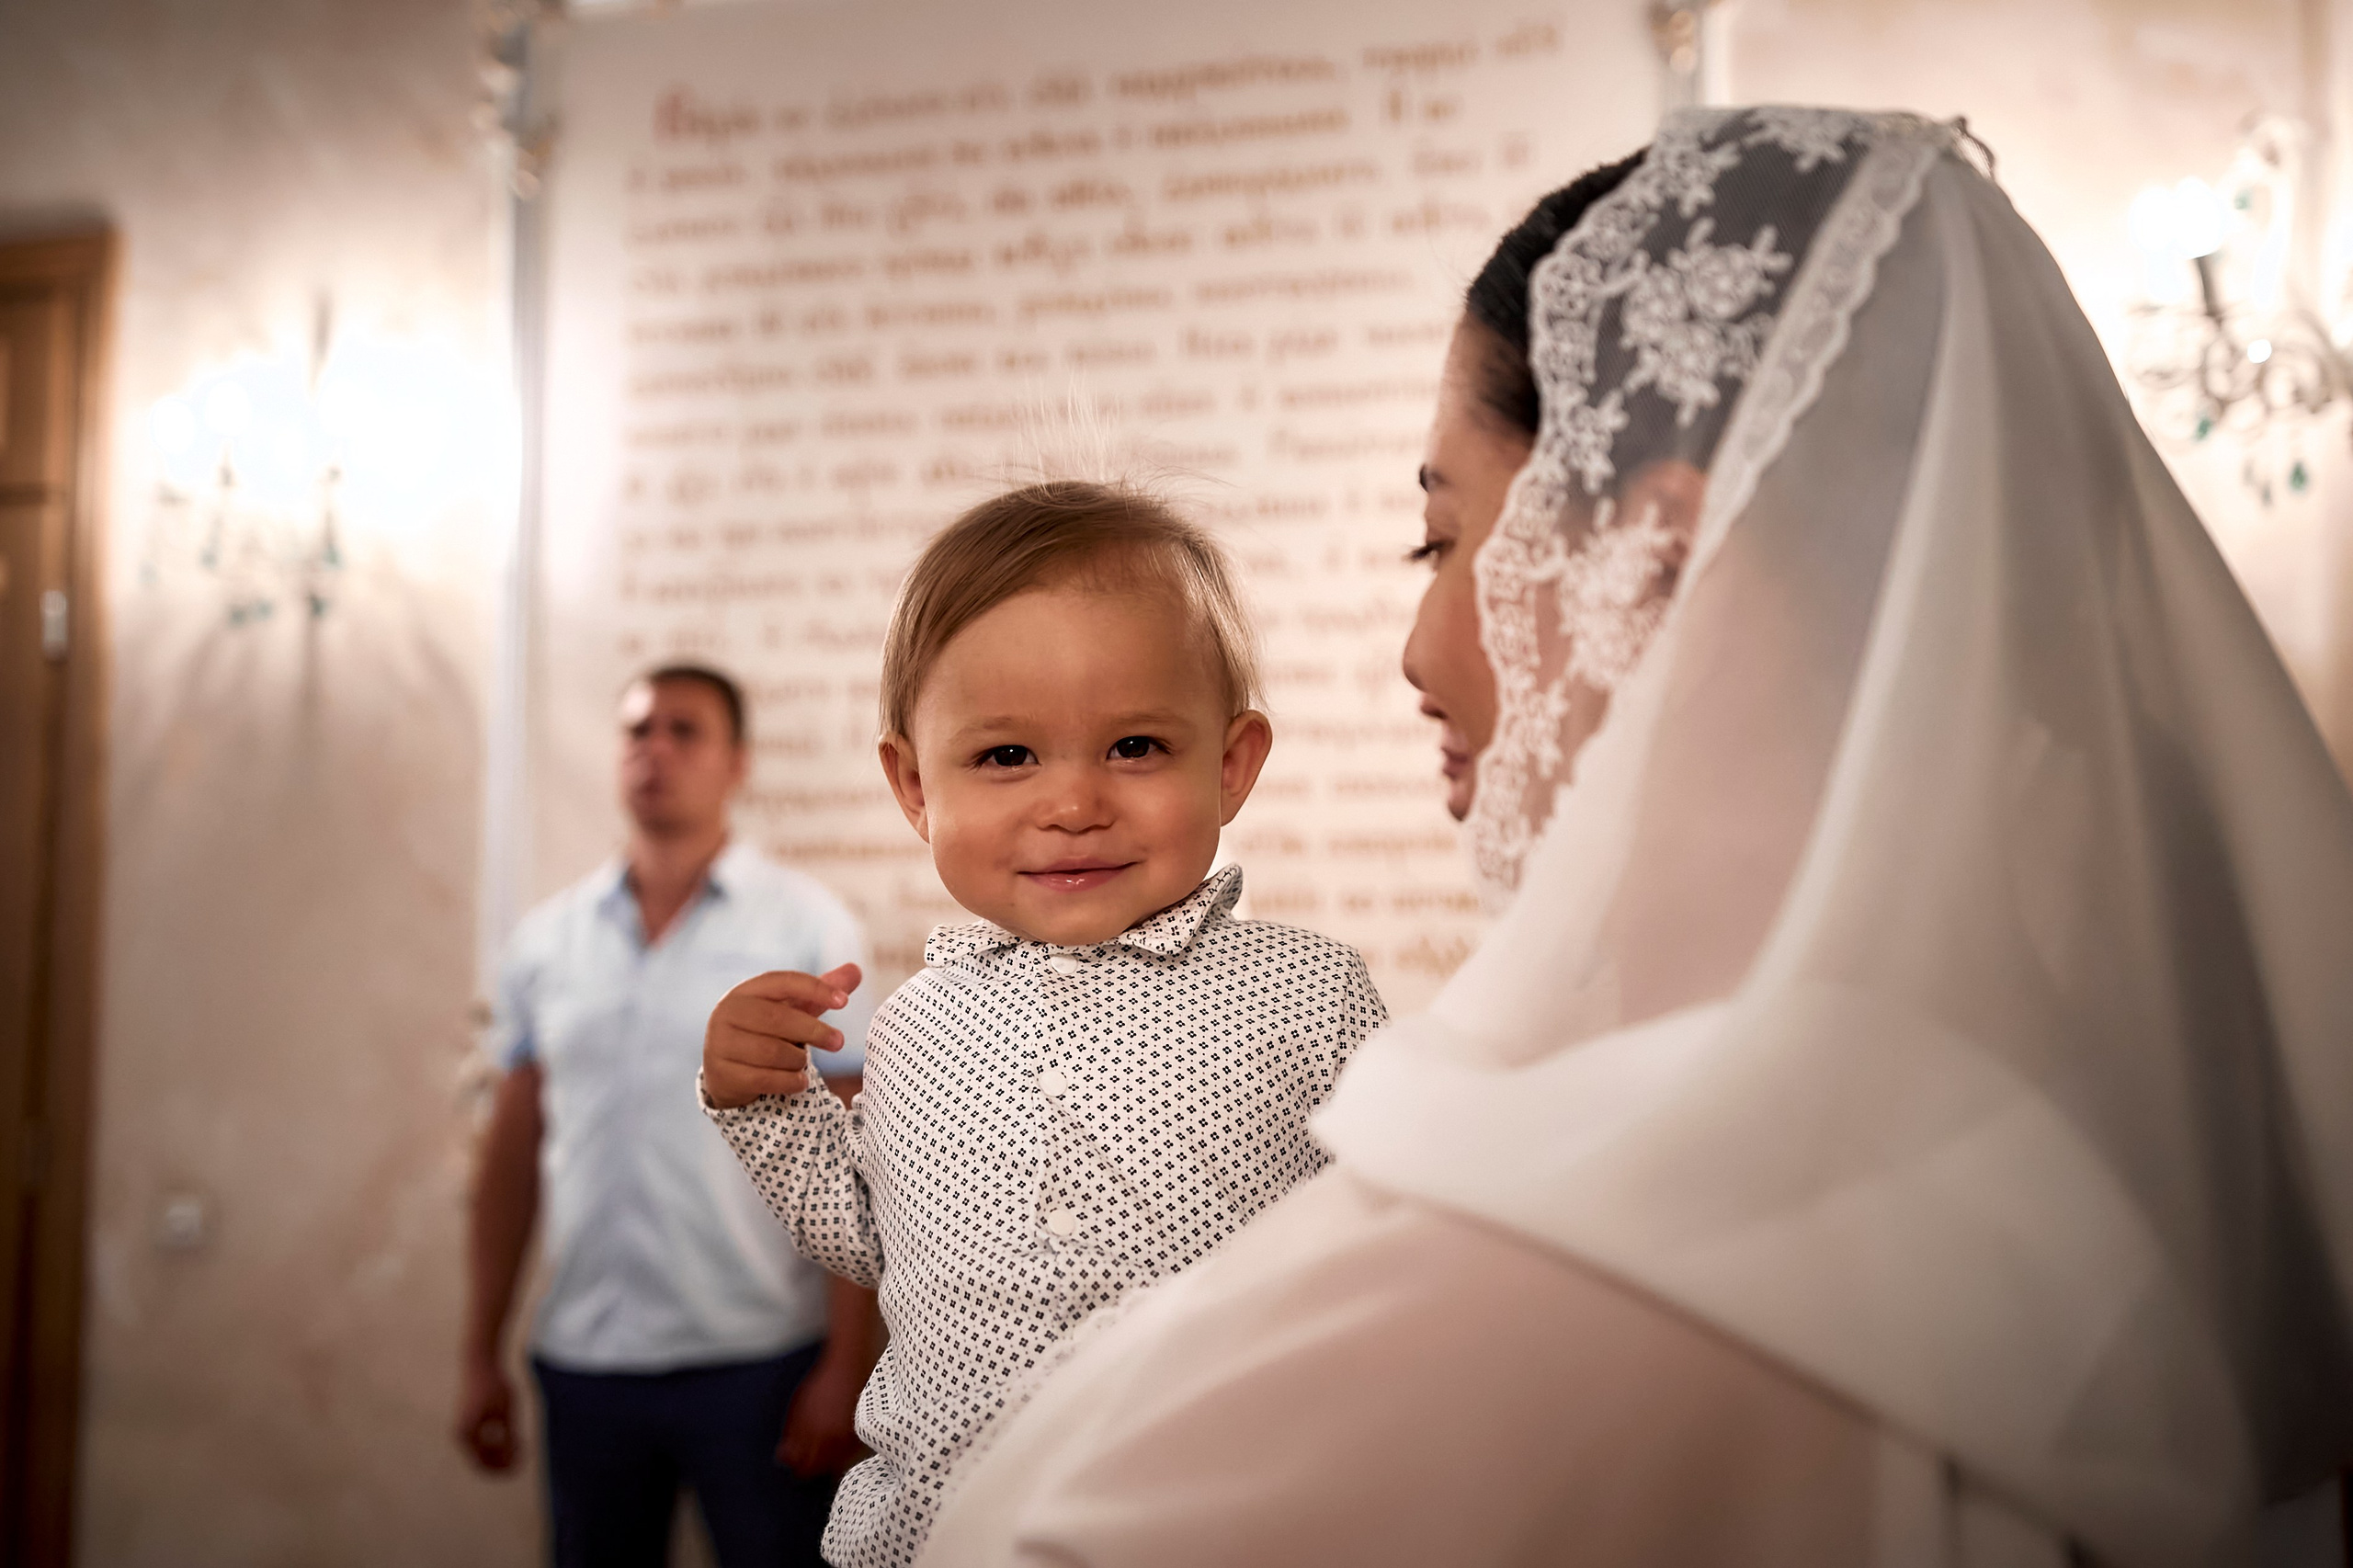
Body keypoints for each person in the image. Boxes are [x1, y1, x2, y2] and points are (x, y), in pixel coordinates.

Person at [915, 108, 2353, 1566]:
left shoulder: (1568, 1280)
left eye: (1448, 539)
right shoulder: (2041, 1165)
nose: (1420, 645)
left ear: (1644, 558)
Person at [698, 483, 1389, 1568]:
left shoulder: (1310, 990)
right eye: (1007, 756)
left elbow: (1383, 1263)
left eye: (1134, 745)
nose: (1071, 801)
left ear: (1231, 762)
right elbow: (874, 1240)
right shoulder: (918, 1019)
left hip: (1211, 1527)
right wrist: (764, 1101)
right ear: (914, 784)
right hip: (932, 1533)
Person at [457, 664, 885, 1568]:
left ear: (737, 762)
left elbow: (859, 1155)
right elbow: (512, 1155)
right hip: (584, 1358)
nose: (655, 749)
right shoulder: (545, 941)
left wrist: (848, 1365)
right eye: (637, 730)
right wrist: (477, 1349)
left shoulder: (808, 927)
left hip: (760, 1357)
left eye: (683, 729)